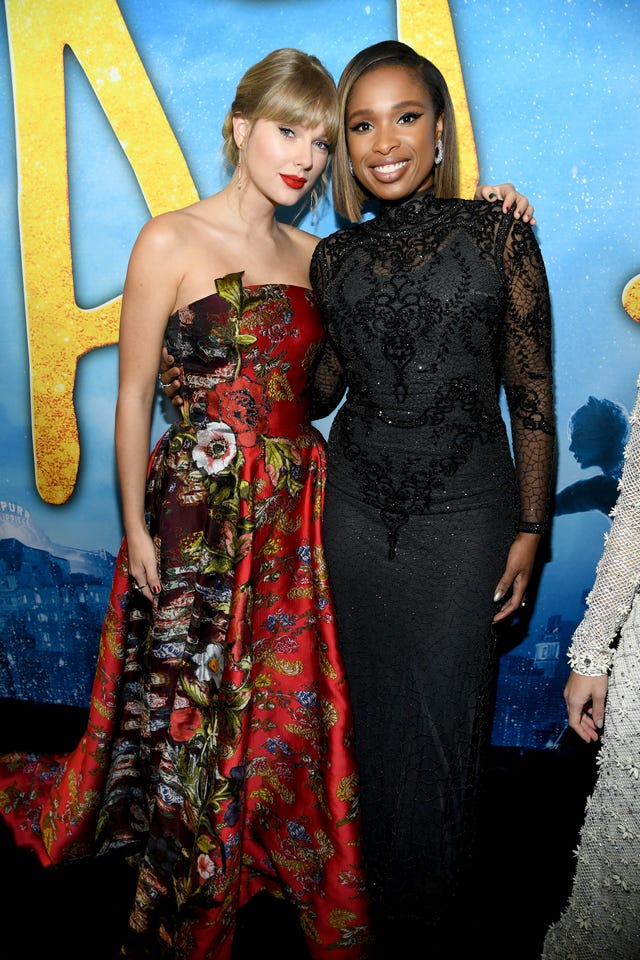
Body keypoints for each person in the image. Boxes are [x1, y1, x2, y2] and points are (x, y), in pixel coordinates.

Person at [0, 48, 374, 960]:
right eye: (288, 131)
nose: (306, 158)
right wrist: (133, 525)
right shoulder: (168, 240)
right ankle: (191, 863)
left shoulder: (320, 257)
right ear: (241, 128)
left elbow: (350, 356)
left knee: (284, 698)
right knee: (192, 697)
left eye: (321, 143)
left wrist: (491, 208)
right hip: (196, 508)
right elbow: (133, 397)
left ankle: (267, 843)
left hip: (293, 511)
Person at [304, 40, 555, 956]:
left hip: (467, 516)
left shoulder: (501, 234)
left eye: (406, 118)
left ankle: (434, 920)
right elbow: (321, 390)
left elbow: (532, 396)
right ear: (344, 143)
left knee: (448, 724)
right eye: (362, 125)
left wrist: (531, 528)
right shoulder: (333, 257)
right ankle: (362, 911)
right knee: (365, 721)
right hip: (357, 515)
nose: (384, 143)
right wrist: (235, 356)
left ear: (440, 131)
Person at [541, 372, 640, 959]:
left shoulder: (611, 484)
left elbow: (622, 527)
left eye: (579, 435)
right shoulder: (608, 482)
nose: (574, 446)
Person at [554, 394, 629, 517]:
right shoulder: (601, 488)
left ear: (604, 432)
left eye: (579, 436)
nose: (572, 448)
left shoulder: (600, 489)